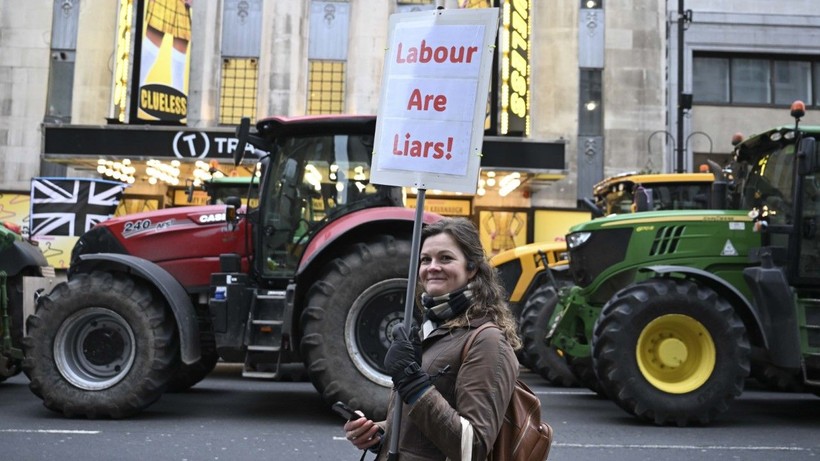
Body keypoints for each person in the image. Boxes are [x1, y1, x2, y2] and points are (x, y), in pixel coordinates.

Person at [343, 217, 521, 460]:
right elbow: (421, 433)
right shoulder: (432, 328)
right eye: (426, 259)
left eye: (445, 258)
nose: (432, 267)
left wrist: (413, 382)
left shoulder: (487, 341)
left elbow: (473, 447)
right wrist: (380, 434)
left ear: (472, 268)